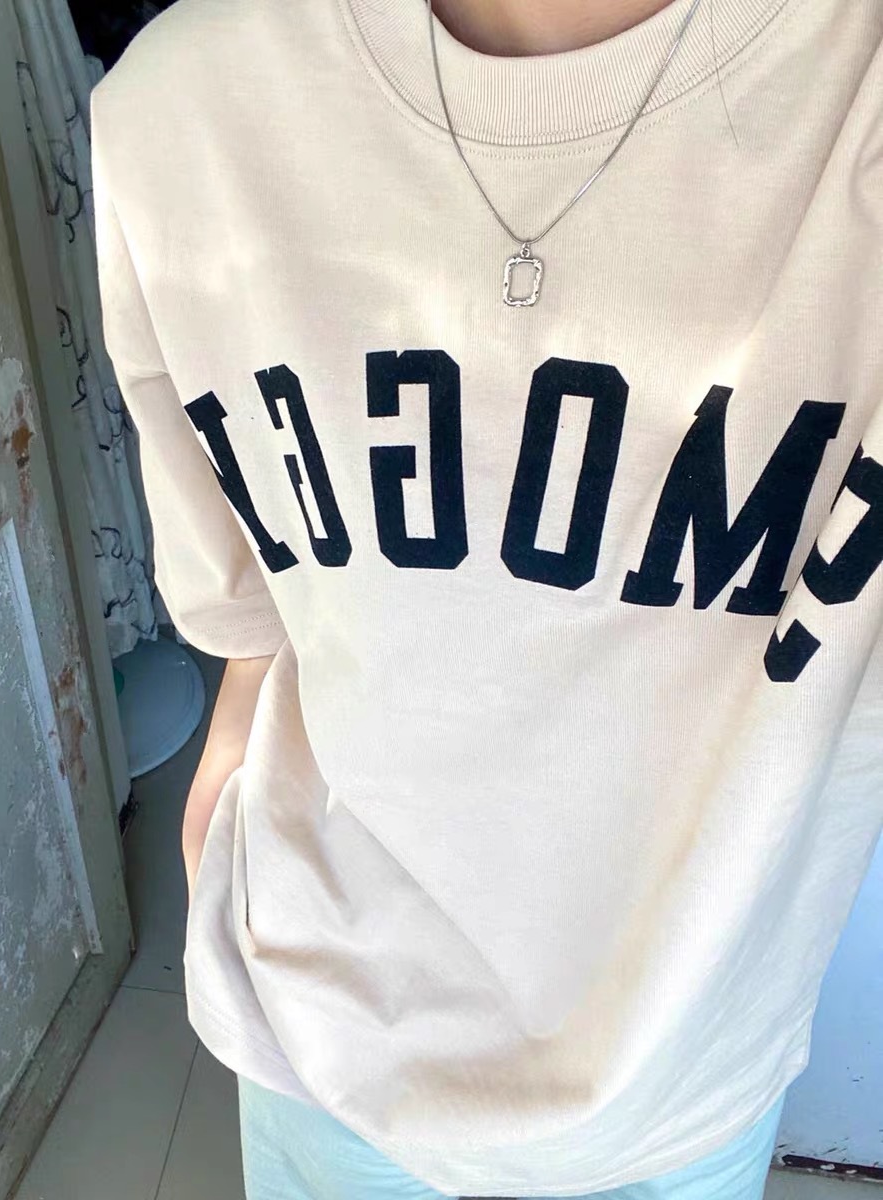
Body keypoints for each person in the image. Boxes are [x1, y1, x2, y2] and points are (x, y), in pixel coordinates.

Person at [89, 0, 883, 1194]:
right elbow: (249, 627)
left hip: (681, 1094)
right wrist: (223, 839)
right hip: (320, 1054)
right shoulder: (178, 111)